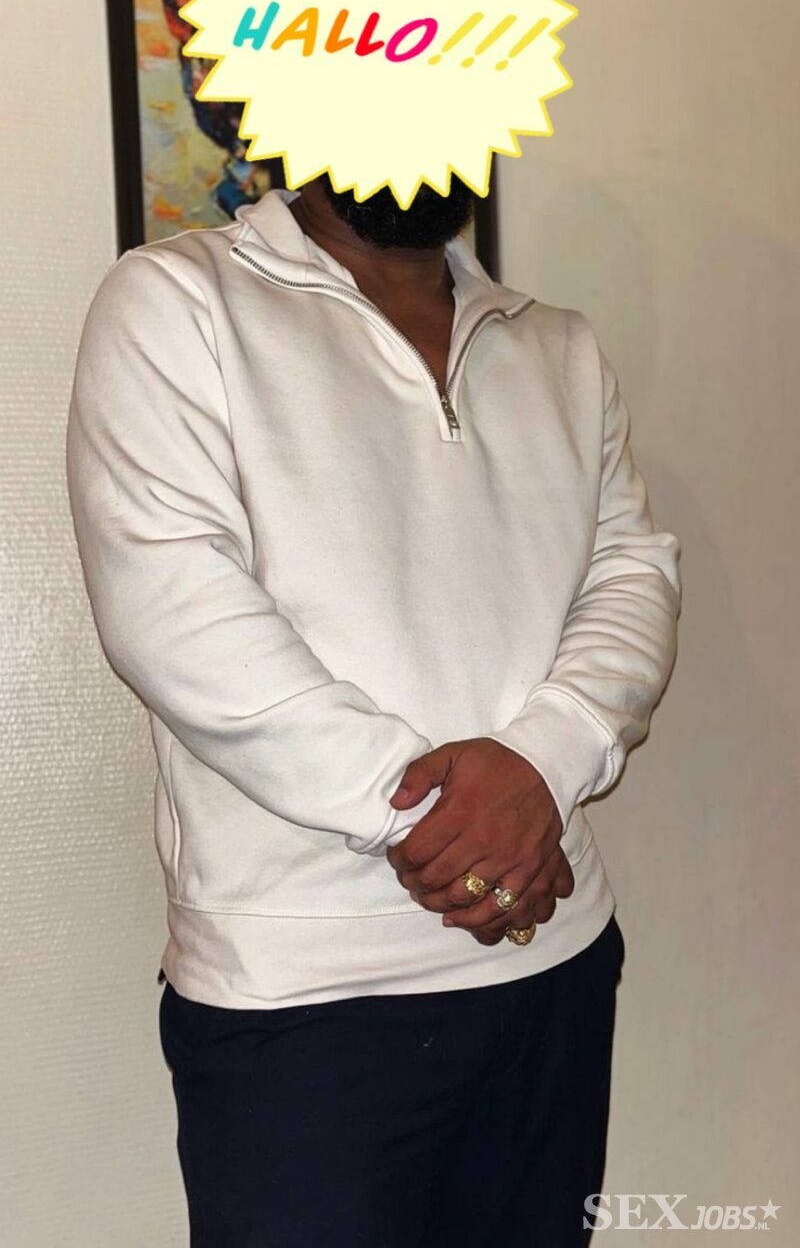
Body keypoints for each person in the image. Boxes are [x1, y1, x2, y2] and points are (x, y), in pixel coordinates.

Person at [65, 173, 682, 1246]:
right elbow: (172, 608)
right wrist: (442, 824)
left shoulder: (560, 347)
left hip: (553, 960)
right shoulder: (176, 299)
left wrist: (544, 764)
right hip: (305, 1002)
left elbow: (631, 575)